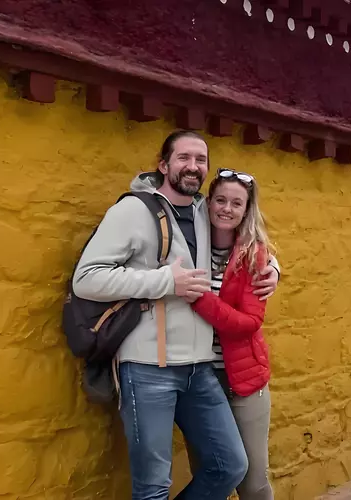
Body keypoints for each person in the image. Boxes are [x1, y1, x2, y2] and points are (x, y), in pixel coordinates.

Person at [72, 130, 279, 500]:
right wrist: (166, 281)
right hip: (148, 366)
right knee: (153, 487)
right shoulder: (133, 210)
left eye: (201, 160)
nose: (193, 166)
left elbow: (244, 238)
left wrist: (273, 268)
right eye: (184, 158)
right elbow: (87, 279)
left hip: (199, 369)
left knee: (230, 466)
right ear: (164, 164)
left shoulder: (204, 209)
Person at [188, 169, 276, 500]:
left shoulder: (254, 254)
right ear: (208, 203)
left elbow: (249, 322)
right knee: (211, 476)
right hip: (197, 380)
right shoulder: (189, 244)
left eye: (236, 203)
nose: (226, 208)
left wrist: (201, 300)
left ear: (246, 209)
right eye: (220, 200)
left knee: (252, 481)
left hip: (243, 381)